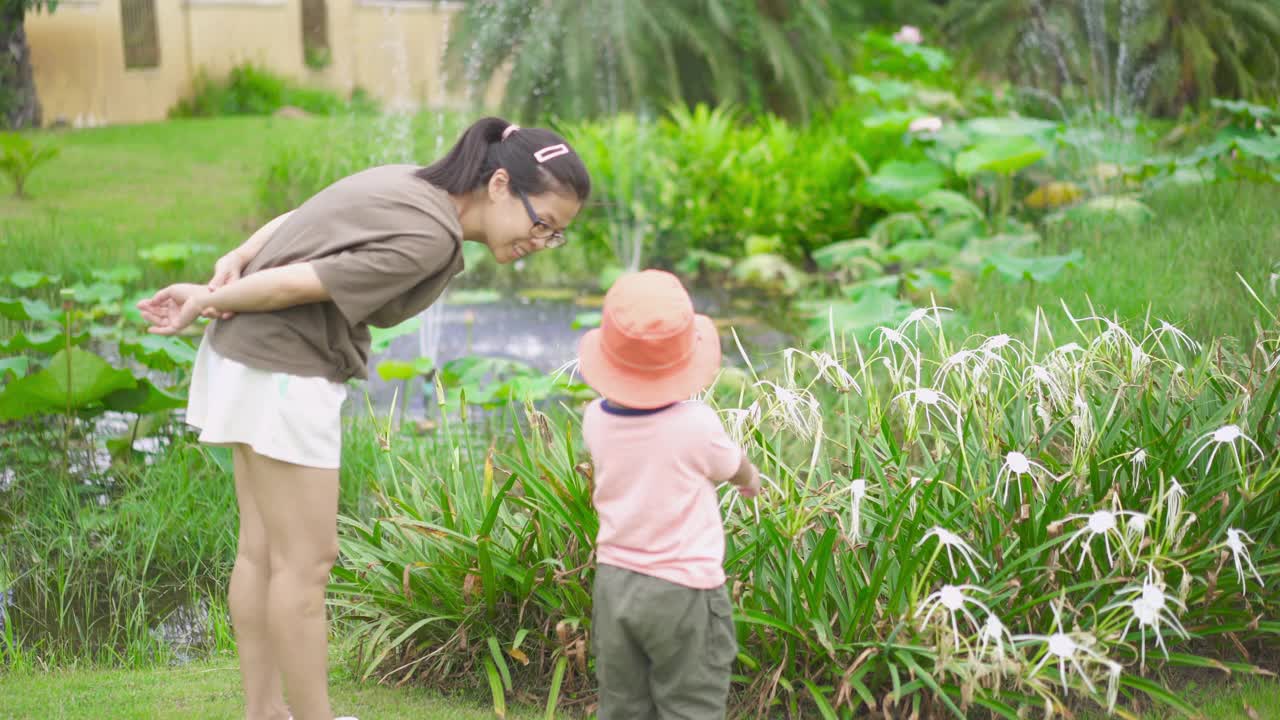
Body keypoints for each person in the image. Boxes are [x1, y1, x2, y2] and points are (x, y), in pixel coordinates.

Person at [136, 117, 591, 720]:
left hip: (244, 359)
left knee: (263, 550)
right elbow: (301, 282)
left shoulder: (412, 181)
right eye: (543, 224)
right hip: (283, 372)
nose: (541, 242)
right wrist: (209, 296)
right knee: (307, 563)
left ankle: (266, 712)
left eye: (555, 236)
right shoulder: (432, 236)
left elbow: (300, 220)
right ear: (501, 183)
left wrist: (236, 256)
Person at [576, 269, 762, 719]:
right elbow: (731, 466)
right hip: (683, 592)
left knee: (623, 703)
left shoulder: (594, 419)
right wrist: (749, 478)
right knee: (690, 702)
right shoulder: (695, 424)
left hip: (616, 582)